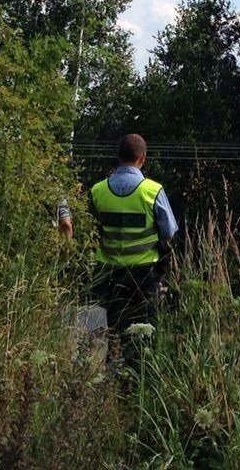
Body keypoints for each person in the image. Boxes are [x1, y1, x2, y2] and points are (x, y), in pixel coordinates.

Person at [88, 134, 178, 340]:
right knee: (144, 333)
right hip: (145, 276)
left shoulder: (97, 191)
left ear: (118, 156)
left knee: (112, 330)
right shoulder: (152, 191)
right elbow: (169, 231)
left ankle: (112, 367)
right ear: (143, 158)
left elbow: (90, 230)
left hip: (108, 274)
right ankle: (137, 369)